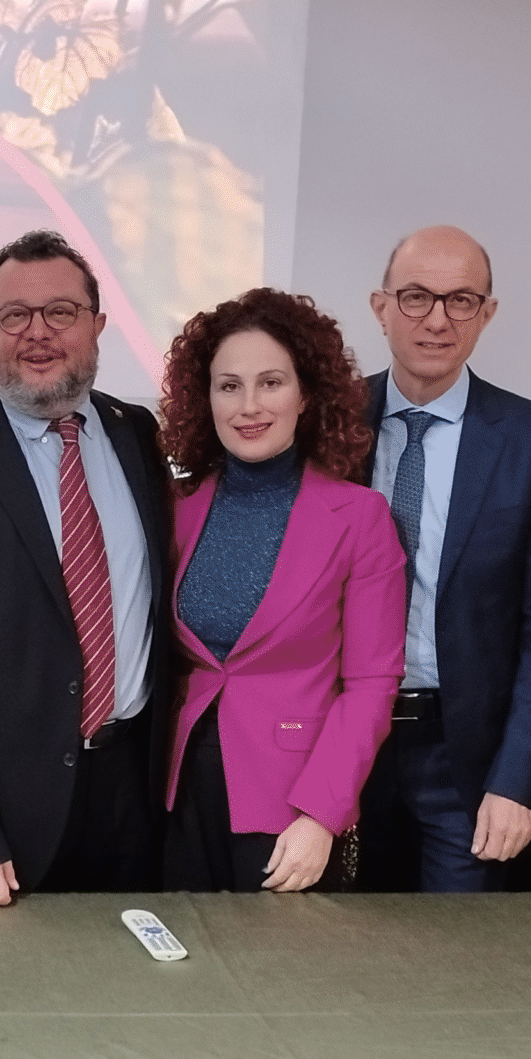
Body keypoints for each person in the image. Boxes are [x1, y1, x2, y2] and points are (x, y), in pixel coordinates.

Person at [0, 229, 174, 905]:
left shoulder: (140, 436)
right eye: (14, 315)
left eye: (61, 312)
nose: (37, 333)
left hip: (139, 793)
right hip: (11, 821)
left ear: (99, 325)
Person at [350, 226, 531, 891]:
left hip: (467, 759)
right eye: (417, 296)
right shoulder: (327, 423)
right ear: (381, 305)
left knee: (452, 969)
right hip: (343, 742)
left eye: (461, 301)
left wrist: (518, 780)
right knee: (333, 953)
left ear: (488, 313)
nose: (436, 319)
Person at [159, 290, 404, 892]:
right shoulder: (176, 509)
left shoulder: (359, 518)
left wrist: (322, 816)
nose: (248, 406)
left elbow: (371, 686)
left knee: (280, 983)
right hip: (179, 795)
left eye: (270, 383)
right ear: (204, 398)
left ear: (306, 394)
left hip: (293, 807)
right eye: (228, 386)